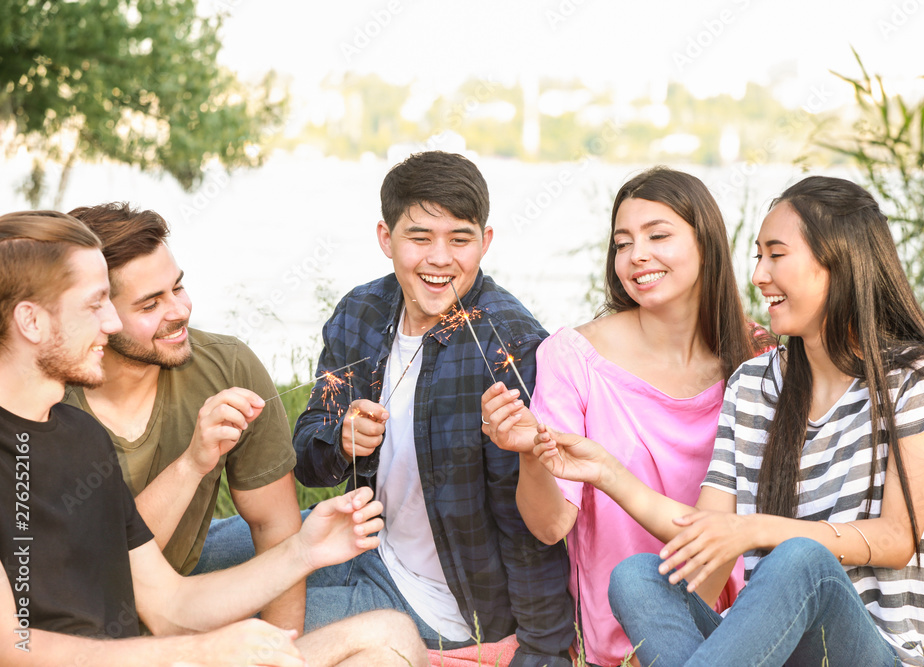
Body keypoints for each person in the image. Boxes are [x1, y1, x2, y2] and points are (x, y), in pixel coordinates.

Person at [529, 176, 924, 666]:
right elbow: (707, 530)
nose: (760, 275)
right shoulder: (755, 383)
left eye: (776, 255)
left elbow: (896, 538)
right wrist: (606, 472)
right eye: (758, 256)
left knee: (800, 558)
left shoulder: (916, 382)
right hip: (772, 647)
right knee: (637, 578)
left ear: (839, 261)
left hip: (877, 652)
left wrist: (756, 529)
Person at [0, 210, 428, 666]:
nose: (110, 322)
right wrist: (202, 650)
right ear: (31, 321)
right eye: (94, 305)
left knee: (393, 634)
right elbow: (11, 647)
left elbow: (168, 605)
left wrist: (303, 551)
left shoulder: (78, 436)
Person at [293, 151, 575, 666]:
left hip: (443, 604)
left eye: (460, 240)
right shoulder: (361, 311)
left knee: (245, 620)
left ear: (486, 241)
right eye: (420, 238)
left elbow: (530, 522)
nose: (440, 259)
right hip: (363, 541)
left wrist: (545, 651)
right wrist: (340, 441)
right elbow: (308, 455)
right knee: (199, 558)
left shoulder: (509, 343)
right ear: (386, 238)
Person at [481, 167, 770, 666]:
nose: (636, 255)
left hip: (748, 632)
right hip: (619, 641)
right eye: (622, 243)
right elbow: (550, 526)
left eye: (658, 236)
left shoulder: (759, 355)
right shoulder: (572, 356)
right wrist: (530, 453)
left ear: (706, 244)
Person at [62, 203, 305, 632]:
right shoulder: (46, 402)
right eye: (150, 304)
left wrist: (285, 646)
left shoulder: (227, 365)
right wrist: (192, 463)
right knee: (375, 630)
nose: (180, 311)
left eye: (177, 287)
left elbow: (274, 525)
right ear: (97, 314)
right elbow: (92, 574)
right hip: (88, 619)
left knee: (333, 544)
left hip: (182, 584)